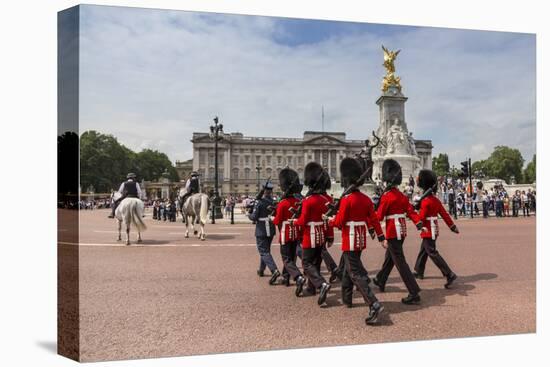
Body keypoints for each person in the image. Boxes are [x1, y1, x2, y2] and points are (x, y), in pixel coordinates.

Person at [326, 158, 386, 325]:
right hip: (360, 240)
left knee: (354, 273)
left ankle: (373, 303)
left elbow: (339, 222)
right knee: (346, 268)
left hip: (350, 239)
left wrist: (329, 220)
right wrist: (381, 237)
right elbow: (374, 220)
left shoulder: (347, 200)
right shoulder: (366, 199)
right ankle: (347, 298)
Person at [373, 159, 423, 305]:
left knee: (400, 262)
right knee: (391, 257)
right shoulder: (401, 196)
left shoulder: (387, 196)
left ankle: (414, 292)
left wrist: (368, 219)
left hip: (392, 231)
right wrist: (419, 223)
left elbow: (379, 216)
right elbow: (411, 211)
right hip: (401, 230)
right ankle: (380, 280)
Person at [289, 162, 332, 306]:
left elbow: (303, 221)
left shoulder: (308, 201)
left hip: (310, 235)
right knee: (316, 262)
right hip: (321, 234)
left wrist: (293, 222)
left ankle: (321, 284)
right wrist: (329, 235)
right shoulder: (325, 200)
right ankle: (311, 287)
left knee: (306, 263)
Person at [413, 169, 459, 288]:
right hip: (434, 229)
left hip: (428, 230)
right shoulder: (435, 200)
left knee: (432, 252)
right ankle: (419, 270)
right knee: (424, 250)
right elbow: (445, 215)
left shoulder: (425, 201)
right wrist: (452, 226)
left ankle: (449, 273)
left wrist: (414, 213)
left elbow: (421, 218)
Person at [272, 168, 306, 295]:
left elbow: (277, 221)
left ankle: (298, 277)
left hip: (286, 232)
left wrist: (272, 218)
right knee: (292, 257)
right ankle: (286, 277)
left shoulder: (283, 203)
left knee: (286, 258)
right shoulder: (298, 201)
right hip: (295, 232)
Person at [248, 182, 280, 285]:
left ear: (264, 191)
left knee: (263, 251)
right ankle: (261, 270)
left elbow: (254, 217)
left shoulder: (260, 202)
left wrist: (249, 214)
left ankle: (274, 270)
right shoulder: (274, 202)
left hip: (261, 228)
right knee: (266, 250)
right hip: (270, 228)